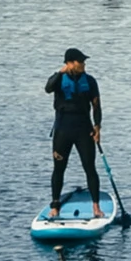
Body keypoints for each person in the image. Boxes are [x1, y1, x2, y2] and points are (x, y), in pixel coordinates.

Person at [45, 48, 104, 221]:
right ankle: (55, 207)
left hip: (84, 130)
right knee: (59, 169)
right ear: (70, 63)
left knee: (90, 168)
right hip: (62, 130)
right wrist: (60, 71)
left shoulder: (90, 81)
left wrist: (97, 127)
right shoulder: (58, 79)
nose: (84, 64)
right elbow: (47, 88)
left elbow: (97, 106)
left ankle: (96, 207)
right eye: (80, 62)